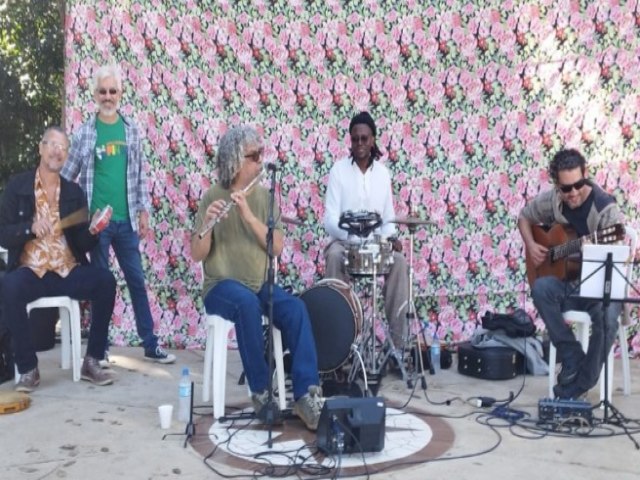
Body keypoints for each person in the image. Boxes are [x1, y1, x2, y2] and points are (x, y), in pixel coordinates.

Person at [190, 125, 323, 430]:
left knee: (296, 310)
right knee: (246, 304)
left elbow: (276, 247)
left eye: (262, 154)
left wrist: (248, 215)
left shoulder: (263, 197)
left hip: (259, 284)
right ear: (236, 160)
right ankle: (262, 393)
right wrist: (209, 223)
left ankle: (306, 395)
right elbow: (197, 253)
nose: (261, 161)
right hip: (221, 286)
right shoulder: (212, 195)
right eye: (255, 156)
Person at [61, 65, 175, 364]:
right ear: (95, 94)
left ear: (120, 94)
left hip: (126, 222)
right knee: (102, 286)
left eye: (113, 91)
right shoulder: (85, 132)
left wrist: (144, 211)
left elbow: (139, 176)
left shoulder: (131, 130)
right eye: (103, 91)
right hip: (96, 226)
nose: (108, 96)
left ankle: (150, 344)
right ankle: (101, 348)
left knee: (136, 281)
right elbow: (66, 177)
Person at [0, 127, 117, 392]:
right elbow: (4, 235)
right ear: (41, 148)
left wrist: (94, 231)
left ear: (66, 156)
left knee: (105, 281)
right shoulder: (18, 186)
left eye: (62, 147)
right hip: (32, 271)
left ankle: (92, 360)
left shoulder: (74, 192)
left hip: (67, 271)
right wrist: (29, 228)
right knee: (9, 286)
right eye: (51, 144)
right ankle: (28, 368)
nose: (56, 151)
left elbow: (81, 244)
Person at [518, 148, 625, 399]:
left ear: (585, 176)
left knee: (607, 317)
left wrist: (596, 250)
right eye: (566, 188)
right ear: (557, 186)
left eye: (578, 184)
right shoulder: (554, 200)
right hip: (571, 284)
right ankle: (571, 354)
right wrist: (532, 245)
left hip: (599, 289)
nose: (573, 192)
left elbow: (619, 253)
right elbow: (524, 217)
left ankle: (582, 381)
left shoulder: (605, 208)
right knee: (541, 288)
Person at [323, 111, 409, 352]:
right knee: (333, 256)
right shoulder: (338, 171)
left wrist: (390, 239)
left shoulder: (383, 174)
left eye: (364, 139)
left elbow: (388, 217)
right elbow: (330, 219)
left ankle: (399, 347)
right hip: (345, 243)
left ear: (373, 140)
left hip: (375, 246)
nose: (359, 144)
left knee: (400, 262)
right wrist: (351, 237)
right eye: (355, 139)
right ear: (350, 141)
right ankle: (338, 345)